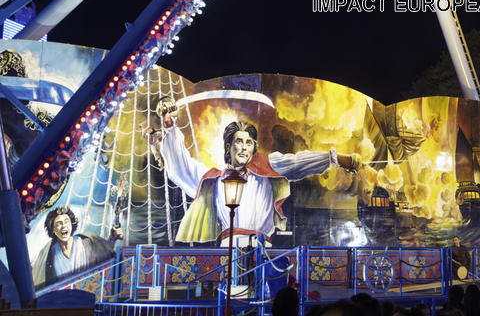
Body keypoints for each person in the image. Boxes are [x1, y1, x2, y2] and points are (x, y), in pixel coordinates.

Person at [152, 98, 361, 244]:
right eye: (238, 142)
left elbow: (298, 162)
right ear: (228, 147)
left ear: (254, 147)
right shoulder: (215, 179)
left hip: (262, 248)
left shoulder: (266, 166)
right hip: (229, 250)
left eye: (248, 143)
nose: (243, 147)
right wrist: (170, 126)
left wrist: (333, 158)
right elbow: (181, 166)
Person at [32, 206, 121, 287]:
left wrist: (112, 238)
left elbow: (104, 251)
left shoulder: (87, 241)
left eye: (66, 222)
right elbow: (38, 280)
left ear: (72, 224)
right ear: (53, 230)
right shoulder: (47, 253)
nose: (64, 226)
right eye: (59, 224)